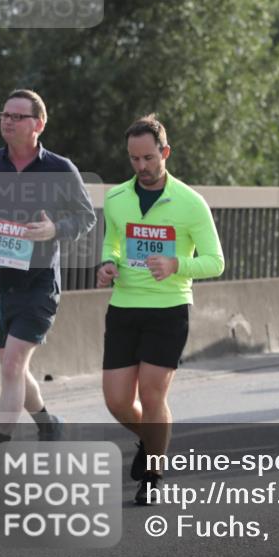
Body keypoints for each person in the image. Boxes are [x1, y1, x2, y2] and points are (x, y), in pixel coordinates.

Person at [0, 89, 96, 489]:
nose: (8, 121)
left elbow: (85, 217)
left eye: (18, 116)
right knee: (13, 368)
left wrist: (55, 229)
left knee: (12, 367)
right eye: (5, 114)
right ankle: (48, 424)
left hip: (38, 285)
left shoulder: (59, 168)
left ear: (38, 124)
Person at [96, 114, 225, 505]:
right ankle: (152, 439)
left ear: (165, 153)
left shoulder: (190, 203)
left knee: (152, 395)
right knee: (117, 400)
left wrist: (176, 265)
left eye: (149, 158)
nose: (142, 166)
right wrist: (108, 263)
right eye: (134, 159)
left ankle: (152, 474)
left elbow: (216, 262)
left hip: (169, 309)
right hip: (124, 306)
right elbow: (112, 242)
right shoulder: (116, 198)